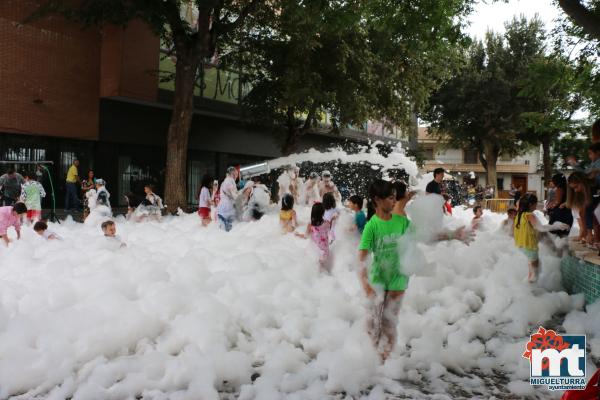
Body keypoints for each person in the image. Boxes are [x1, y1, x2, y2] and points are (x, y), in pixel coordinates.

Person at [359, 179, 410, 360]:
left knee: (389, 323)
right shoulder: (371, 226)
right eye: (390, 198)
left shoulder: (401, 221)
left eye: (395, 197)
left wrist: (452, 235)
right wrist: (366, 285)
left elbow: (423, 235)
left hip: (398, 279)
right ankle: (372, 357)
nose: (394, 201)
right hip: (378, 279)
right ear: (377, 200)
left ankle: (386, 361)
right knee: (372, 323)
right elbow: (362, 259)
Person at [295, 202, 331, 271]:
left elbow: (306, 236)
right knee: (321, 267)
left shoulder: (311, 225)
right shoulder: (327, 223)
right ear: (323, 213)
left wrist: (298, 235)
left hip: (315, 253)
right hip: (325, 252)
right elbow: (329, 231)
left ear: (313, 213)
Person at [514, 194, 541, 283]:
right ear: (530, 204)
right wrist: (557, 226)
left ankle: (528, 291)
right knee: (534, 275)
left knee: (531, 270)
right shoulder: (529, 215)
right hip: (530, 245)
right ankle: (530, 289)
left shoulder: (520, 214)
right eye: (535, 204)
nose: (536, 206)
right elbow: (541, 228)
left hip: (522, 245)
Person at [216, 167, 239, 232]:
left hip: (222, 207)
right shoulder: (230, 181)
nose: (236, 176)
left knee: (222, 228)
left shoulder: (224, 182)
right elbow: (234, 194)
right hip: (228, 207)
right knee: (228, 229)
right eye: (236, 174)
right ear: (232, 174)